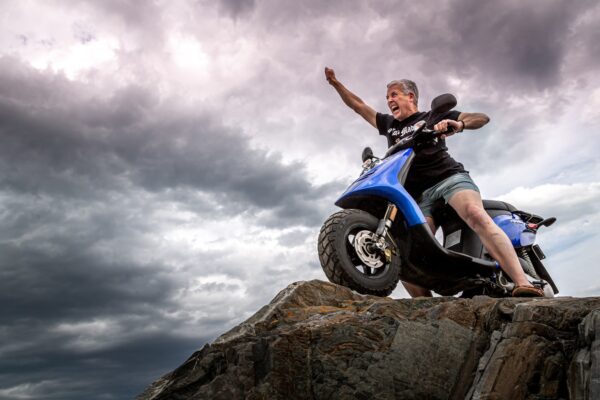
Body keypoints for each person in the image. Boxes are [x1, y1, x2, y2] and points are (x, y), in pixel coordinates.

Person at [324, 67, 544, 298]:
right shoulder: (390, 125)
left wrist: (458, 125)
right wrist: (336, 84)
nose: (389, 100)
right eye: (387, 97)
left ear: (411, 96)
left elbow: (480, 118)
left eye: (394, 94)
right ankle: (426, 306)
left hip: (448, 179)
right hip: (417, 197)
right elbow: (359, 106)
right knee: (406, 248)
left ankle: (522, 283)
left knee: (475, 214)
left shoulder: (432, 116)